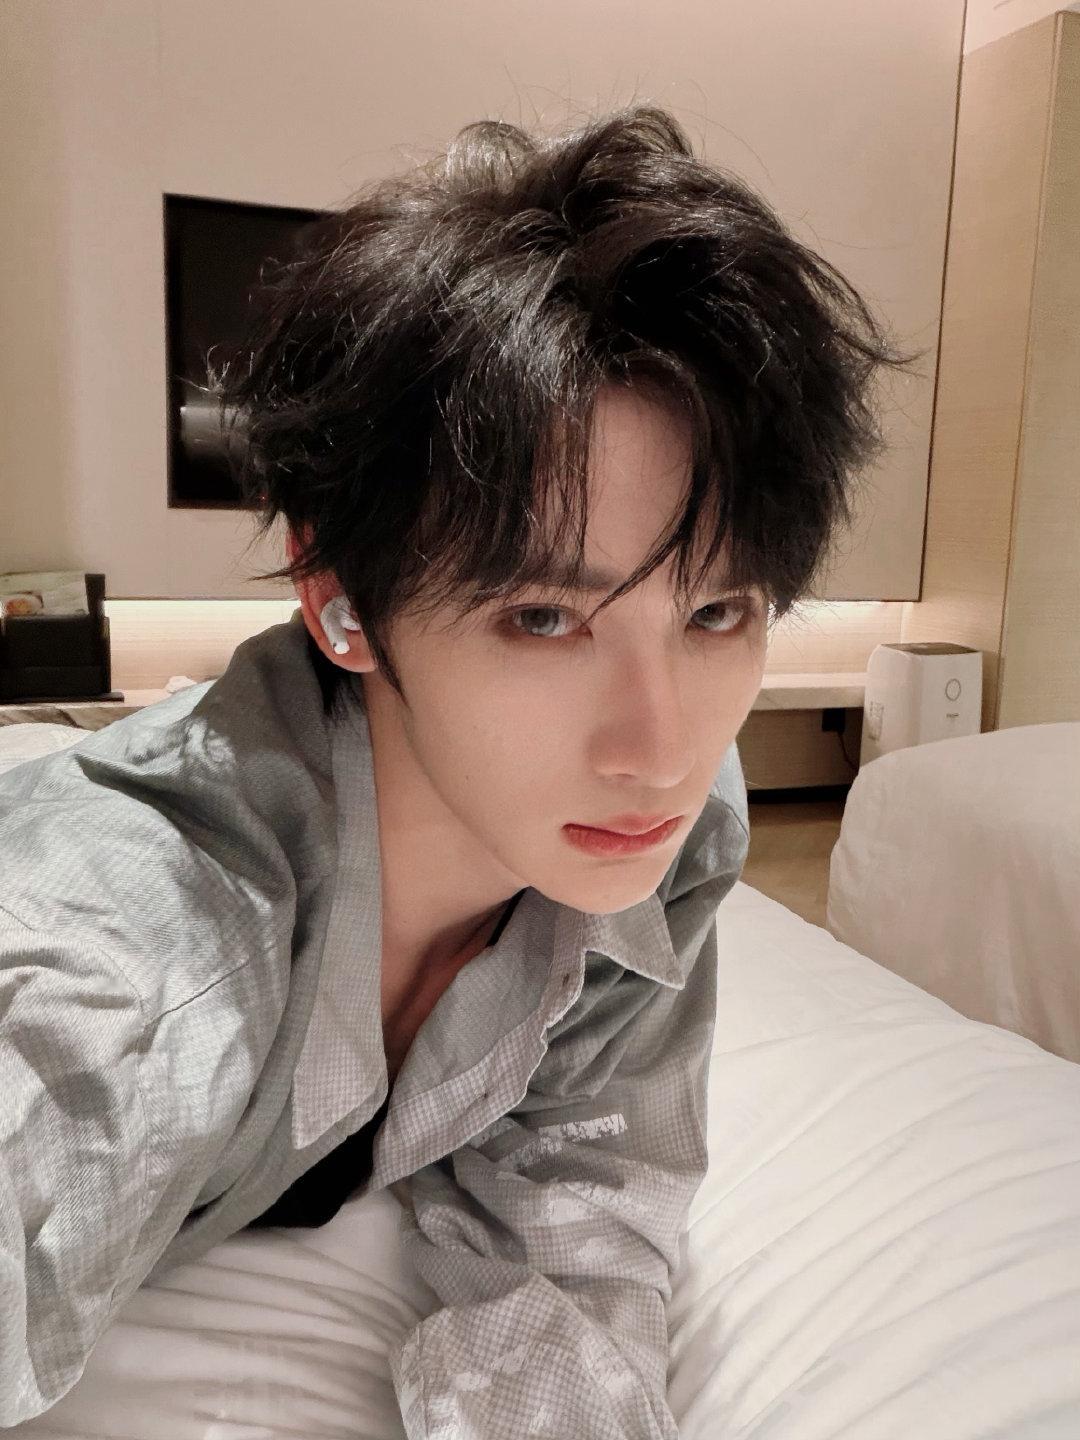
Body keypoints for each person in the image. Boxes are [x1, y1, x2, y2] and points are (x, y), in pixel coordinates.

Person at [0, 104, 919, 1435]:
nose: (660, 748)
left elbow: (580, 1226)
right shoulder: (128, 951)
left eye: (718, 611)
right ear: (339, 597)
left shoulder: (668, 844)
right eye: (543, 618)